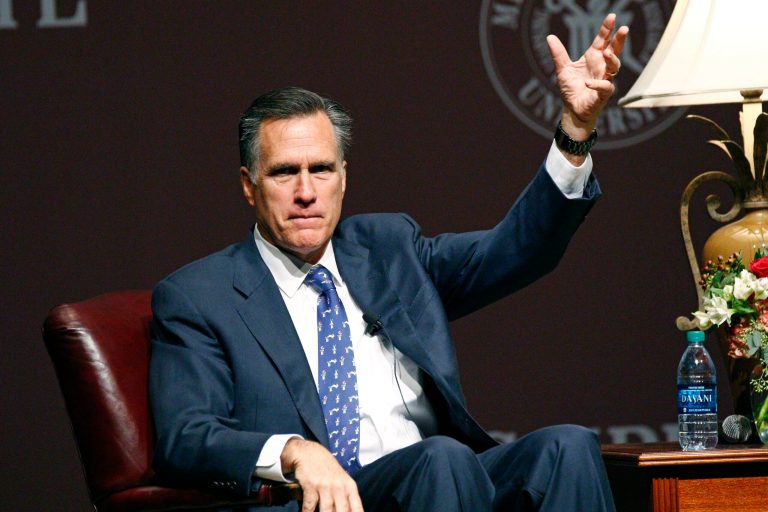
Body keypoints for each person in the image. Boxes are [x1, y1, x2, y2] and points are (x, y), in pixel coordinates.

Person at [149, 14, 628, 512]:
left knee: (566, 448)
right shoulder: (200, 296)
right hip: (316, 502)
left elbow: (517, 251)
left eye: (321, 170)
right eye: (285, 173)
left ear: (344, 177)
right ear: (249, 186)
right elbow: (186, 434)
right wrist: (294, 453)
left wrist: (575, 129)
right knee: (442, 458)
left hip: (438, 481)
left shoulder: (389, 248)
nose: (306, 192)